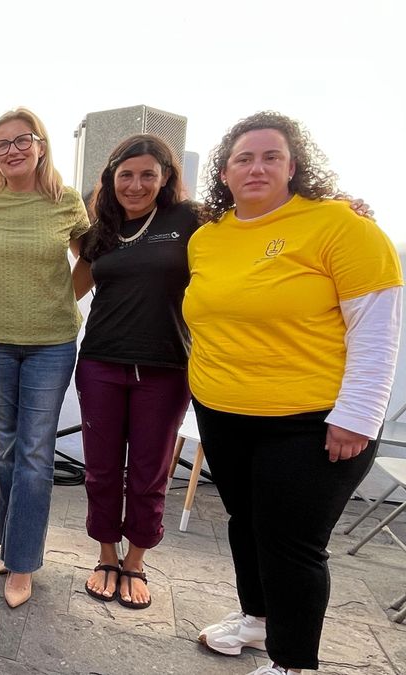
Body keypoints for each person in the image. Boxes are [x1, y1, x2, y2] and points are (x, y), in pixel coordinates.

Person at [186, 112, 401, 675]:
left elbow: (376, 330)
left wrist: (358, 416)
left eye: (270, 156)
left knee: (291, 544)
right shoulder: (208, 238)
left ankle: (293, 663)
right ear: (225, 172)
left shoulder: (340, 226)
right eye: (243, 159)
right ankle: (256, 621)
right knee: (244, 522)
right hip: (222, 410)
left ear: (294, 165)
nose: (256, 167)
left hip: (312, 419)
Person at [0, 108, 90, 608]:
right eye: (2, 144)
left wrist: (60, 297)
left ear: (41, 145)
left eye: (23, 140)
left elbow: (91, 259)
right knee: (0, 450)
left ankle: (22, 563)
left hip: (51, 343)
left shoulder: (67, 201)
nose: (13, 150)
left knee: (35, 456)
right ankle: (3, 543)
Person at [72, 135, 199, 610]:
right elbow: (69, 284)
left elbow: (252, 224)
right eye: (126, 174)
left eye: (148, 174)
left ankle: (136, 560)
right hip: (101, 361)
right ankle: (106, 553)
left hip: (165, 367)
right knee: (101, 469)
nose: (136, 184)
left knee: (149, 473)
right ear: (111, 178)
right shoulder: (99, 227)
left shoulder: (190, 220)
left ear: (165, 178)